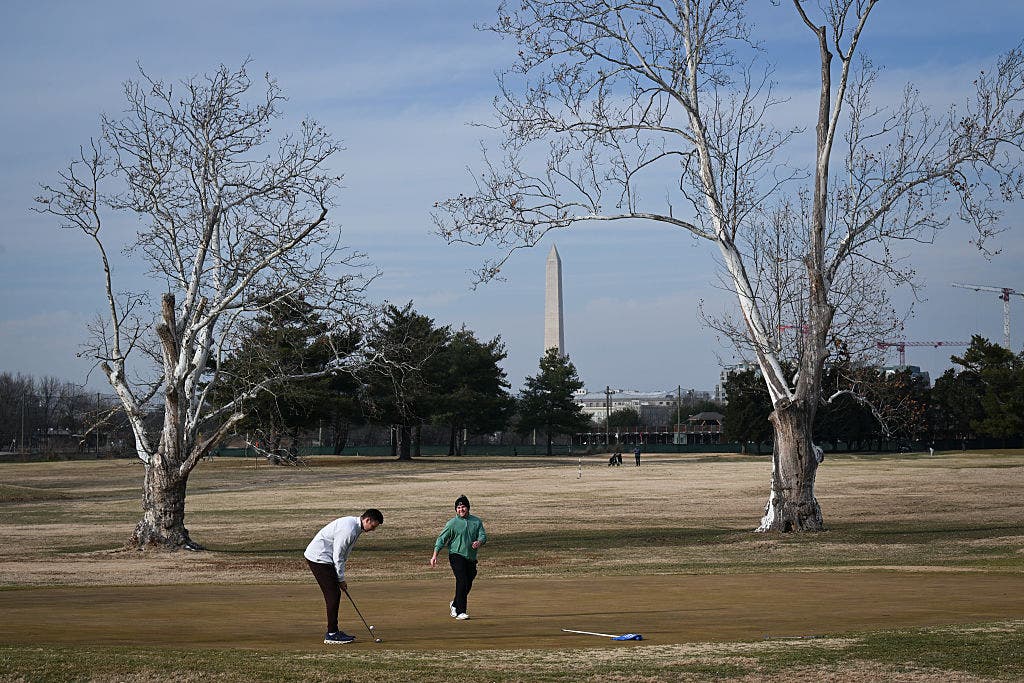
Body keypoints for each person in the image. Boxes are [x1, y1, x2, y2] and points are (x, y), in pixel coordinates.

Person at [304, 508, 383, 644]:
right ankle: (332, 634)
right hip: (319, 558)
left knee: (334, 594)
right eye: (373, 526)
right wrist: (340, 579)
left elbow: (343, 555)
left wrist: (340, 578)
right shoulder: (349, 529)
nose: (373, 530)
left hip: (324, 558)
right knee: (333, 594)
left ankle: (333, 631)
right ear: (367, 520)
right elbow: (338, 555)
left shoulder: (355, 527)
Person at [430, 495, 486, 620]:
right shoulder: (452, 523)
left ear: (468, 508)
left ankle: (455, 603)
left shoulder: (476, 521)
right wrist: (434, 556)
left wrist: (479, 542)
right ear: (456, 509)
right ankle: (461, 611)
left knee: (468, 583)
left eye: (463, 507)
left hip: (470, 558)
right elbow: (441, 539)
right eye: (459, 507)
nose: (461, 509)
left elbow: (483, 536)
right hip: (456, 555)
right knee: (462, 580)